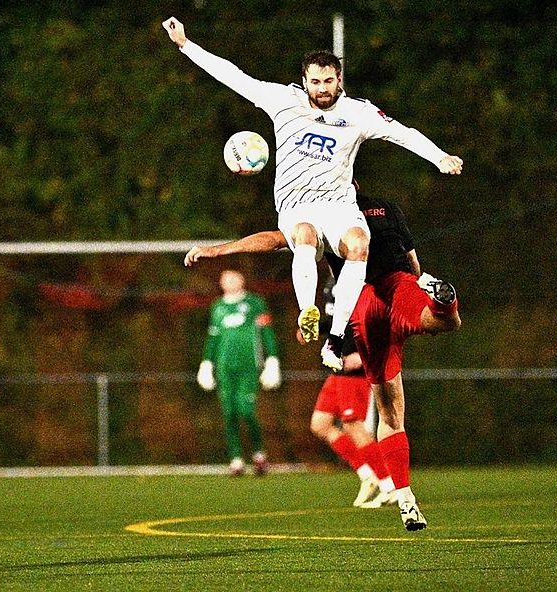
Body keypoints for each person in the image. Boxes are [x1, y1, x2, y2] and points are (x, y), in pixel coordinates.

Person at [163, 15, 463, 373]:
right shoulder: (283, 101)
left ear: (340, 81)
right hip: (296, 205)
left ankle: (334, 337)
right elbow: (234, 77)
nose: (322, 88)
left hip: (338, 204)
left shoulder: (358, 113)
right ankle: (309, 309)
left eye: (329, 81)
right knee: (303, 236)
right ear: (304, 81)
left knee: (358, 244)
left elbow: (404, 133)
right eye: (316, 81)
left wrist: (439, 156)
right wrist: (185, 45)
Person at [186, 190, 461, 532]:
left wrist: (221, 249)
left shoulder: (321, 214)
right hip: (398, 286)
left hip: (365, 306)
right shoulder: (386, 207)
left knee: (387, 417)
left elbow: (274, 240)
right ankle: (441, 302)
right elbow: (413, 261)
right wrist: (419, 285)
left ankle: (403, 496)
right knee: (447, 322)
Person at [197, 269, 281, 476]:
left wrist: (272, 359)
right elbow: (213, 337)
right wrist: (206, 363)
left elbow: (267, 331)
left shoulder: (255, 303)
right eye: (226, 278)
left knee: (246, 410)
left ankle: (259, 453)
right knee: (229, 412)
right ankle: (236, 458)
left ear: (242, 280)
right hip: (225, 367)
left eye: (234, 277)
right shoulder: (218, 307)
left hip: (248, 366)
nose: (230, 281)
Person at [310, 320, 399, 509]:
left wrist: (364, 354)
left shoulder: (363, 292)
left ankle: (388, 484)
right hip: (338, 370)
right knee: (320, 424)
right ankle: (368, 475)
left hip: (355, 374)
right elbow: (336, 319)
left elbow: (380, 321)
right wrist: (313, 327)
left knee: (353, 425)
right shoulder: (332, 290)